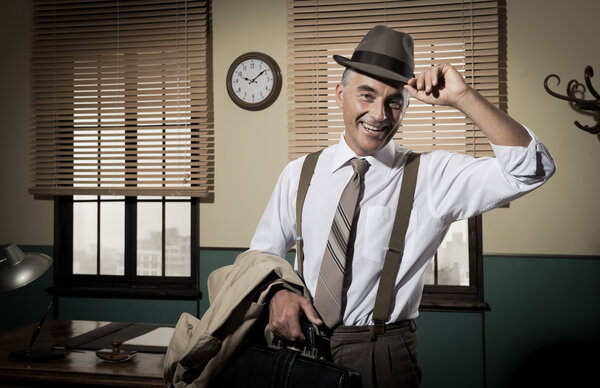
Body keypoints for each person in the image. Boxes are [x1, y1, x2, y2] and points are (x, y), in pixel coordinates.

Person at [249, 25, 555, 388]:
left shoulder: (430, 176)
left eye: (394, 101)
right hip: (300, 345)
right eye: (366, 95)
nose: (379, 115)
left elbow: (531, 170)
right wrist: (278, 292)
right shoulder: (300, 173)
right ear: (339, 94)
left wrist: (464, 97)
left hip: (382, 352)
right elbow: (261, 254)